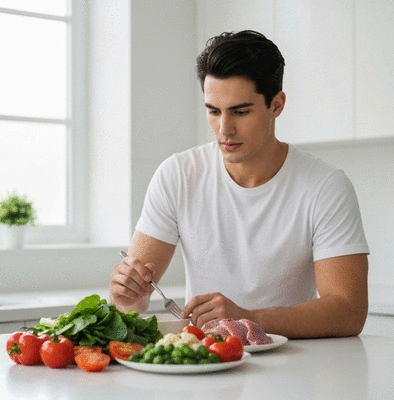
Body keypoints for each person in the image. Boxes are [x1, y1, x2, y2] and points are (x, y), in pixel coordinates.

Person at [110, 30, 369, 338]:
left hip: (295, 364)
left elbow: (348, 311)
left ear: (276, 105)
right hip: (207, 364)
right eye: (213, 111)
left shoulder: (325, 186)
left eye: (240, 111)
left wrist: (247, 318)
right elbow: (133, 301)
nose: (224, 129)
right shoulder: (178, 175)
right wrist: (126, 296)